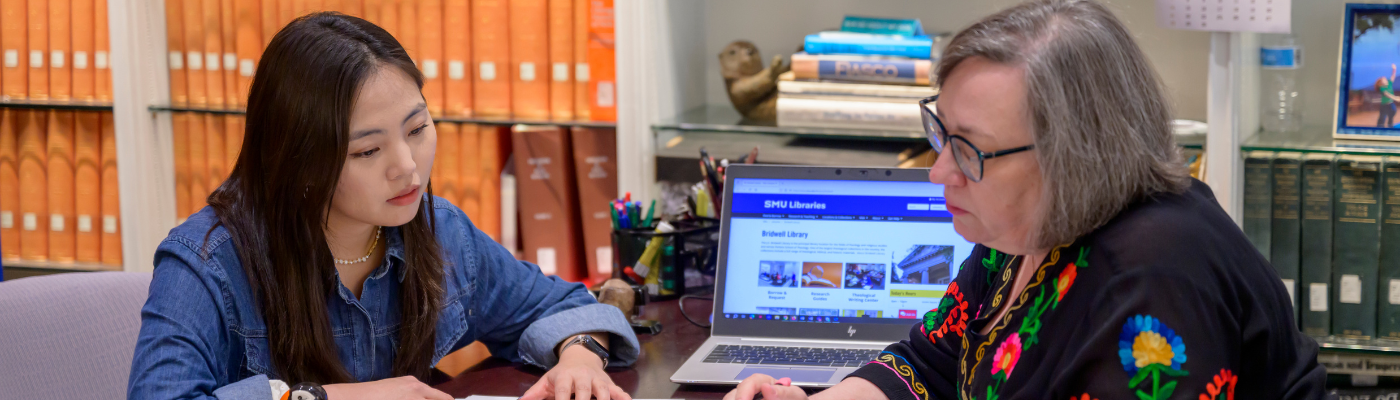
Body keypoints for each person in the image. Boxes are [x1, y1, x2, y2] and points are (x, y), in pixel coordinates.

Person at [726, 1, 1324, 399]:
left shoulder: (1152, 279)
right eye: (940, 133)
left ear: (1073, 155)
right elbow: (929, 364)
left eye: (968, 149)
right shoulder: (1020, 231)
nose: (939, 172)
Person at [128, 13, 639, 400]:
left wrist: (582, 357)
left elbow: (563, 305)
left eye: (417, 129)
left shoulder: (440, 233)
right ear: (297, 160)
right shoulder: (207, 264)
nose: (407, 167)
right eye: (368, 151)